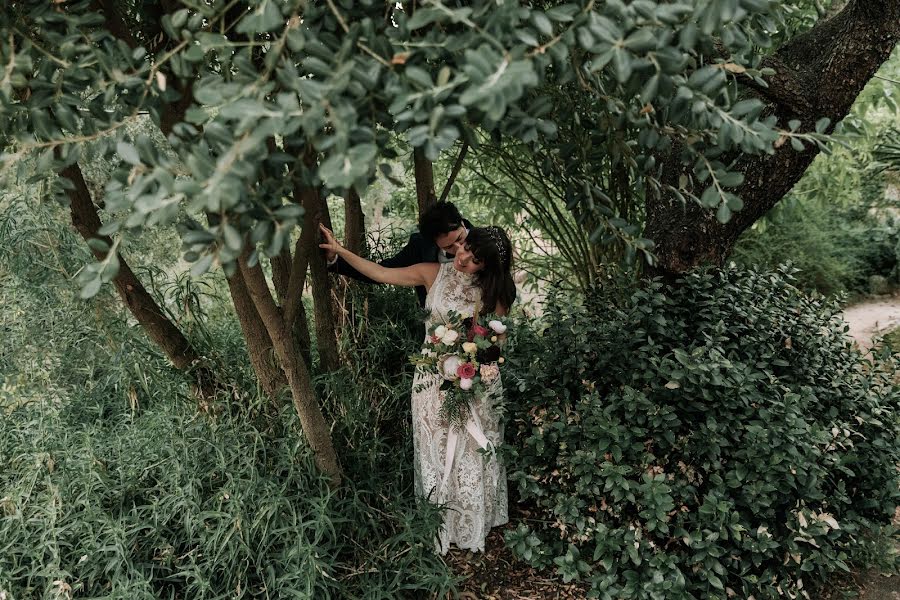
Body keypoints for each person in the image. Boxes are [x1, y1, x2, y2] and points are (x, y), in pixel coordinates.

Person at [318, 221, 516, 554]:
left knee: (472, 450)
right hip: (430, 379)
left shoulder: (496, 291)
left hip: (474, 380)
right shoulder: (432, 273)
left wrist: (478, 370)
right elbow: (381, 274)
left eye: (474, 259)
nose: (463, 259)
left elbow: (497, 343)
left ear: (487, 267)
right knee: (435, 447)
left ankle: (472, 522)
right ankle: (439, 521)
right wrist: (341, 252)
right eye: (466, 248)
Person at [325, 201, 474, 306]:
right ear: (433, 243)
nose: (458, 248)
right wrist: (337, 256)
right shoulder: (420, 246)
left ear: (462, 223)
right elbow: (382, 272)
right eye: (448, 247)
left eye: (460, 239)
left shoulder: (489, 242)